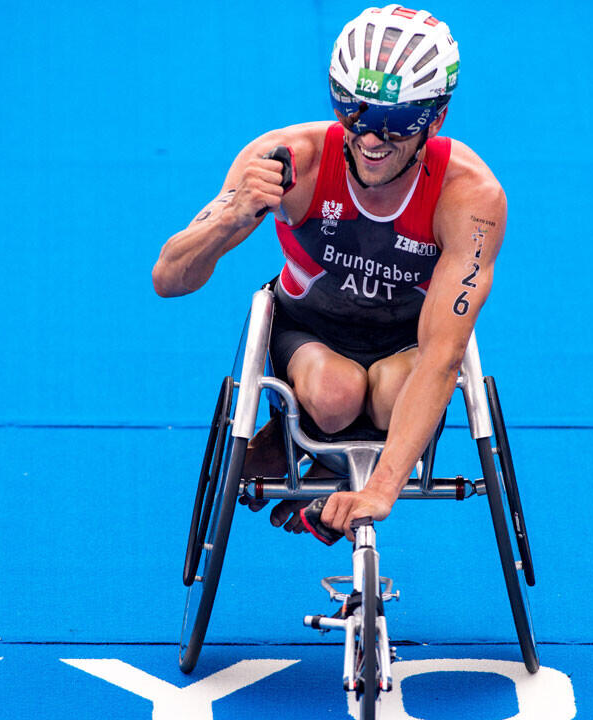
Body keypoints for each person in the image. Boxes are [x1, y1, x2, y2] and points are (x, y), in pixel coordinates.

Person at [152, 4, 506, 542]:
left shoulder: (470, 196)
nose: (371, 138)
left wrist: (382, 487)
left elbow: (442, 355)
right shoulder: (294, 158)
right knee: (333, 391)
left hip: (408, 344)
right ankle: (304, 441)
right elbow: (169, 278)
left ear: (435, 119)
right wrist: (233, 213)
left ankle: (329, 466)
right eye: (356, 111)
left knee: (392, 390)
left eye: (394, 122)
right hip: (311, 333)